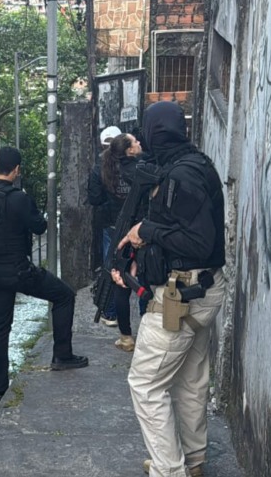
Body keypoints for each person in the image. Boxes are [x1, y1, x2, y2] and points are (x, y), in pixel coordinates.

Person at [111, 102, 226, 477]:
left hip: (183, 295)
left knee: (145, 383)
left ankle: (169, 470)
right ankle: (192, 462)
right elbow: (180, 227)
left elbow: (197, 242)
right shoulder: (192, 164)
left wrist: (146, 231)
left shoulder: (182, 175)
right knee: (190, 380)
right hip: (200, 290)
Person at [0, 146, 88, 405]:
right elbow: (39, 226)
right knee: (64, 296)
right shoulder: (19, 199)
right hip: (19, 271)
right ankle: (62, 355)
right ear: (16, 170)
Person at [100, 131, 150, 352]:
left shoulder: (105, 169)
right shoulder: (142, 170)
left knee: (121, 283)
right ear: (130, 150)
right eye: (135, 141)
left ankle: (126, 336)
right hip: (141, 230)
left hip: (116, 229)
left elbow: (95, 196)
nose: (139, 142)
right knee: (144, 280)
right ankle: (146, 333)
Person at [87, 125, 124, 326]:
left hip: (110, 223)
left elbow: (94, 198)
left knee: (111, 266)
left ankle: (110, 312)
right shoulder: (133, 164)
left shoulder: (99, 168)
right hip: (133, 224)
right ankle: (144, 312)